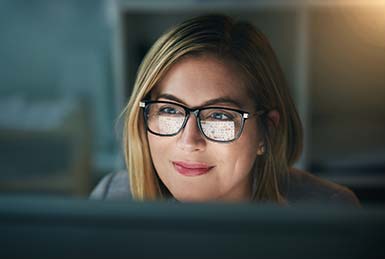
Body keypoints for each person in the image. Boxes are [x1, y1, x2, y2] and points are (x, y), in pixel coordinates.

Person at [91, 14, 359, 206]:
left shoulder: (330, 213)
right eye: (170, 111)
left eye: (219, 116)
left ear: (266, 131)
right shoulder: (111, 200)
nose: (189, 141)